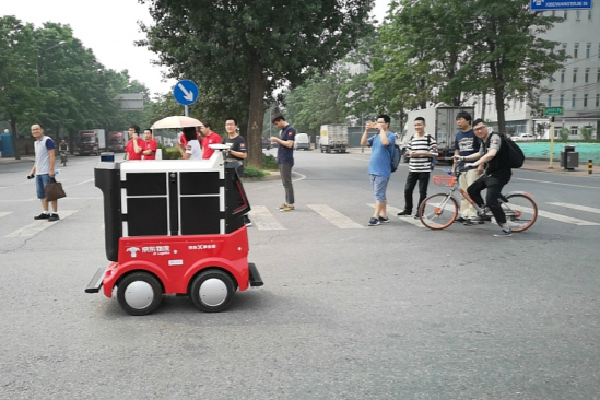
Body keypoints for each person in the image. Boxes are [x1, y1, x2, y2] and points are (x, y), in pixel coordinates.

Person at [458, 118, 513, 237]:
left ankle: (505, 227)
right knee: (472, 190)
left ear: (486, 127)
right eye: (476, 130)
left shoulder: (494, 137)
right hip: (490, 173)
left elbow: (491, 154)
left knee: (491, 200)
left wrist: (476, 164)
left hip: (500, 174)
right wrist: (463, 158)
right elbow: (480, 153)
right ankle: (484, 211)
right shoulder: (484, 140)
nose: (479, 131)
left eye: (481, 128)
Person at [397, 117, 438, 219]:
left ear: (424, 125)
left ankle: (420, 212)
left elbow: (435, 153)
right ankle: (407, 209)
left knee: (422, 192)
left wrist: (420, 153)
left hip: (424, 169)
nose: (417, 127)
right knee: (407, 189)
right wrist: (410, 152)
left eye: (419, 125)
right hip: (413, 169)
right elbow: (408, 150)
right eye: (415, 125)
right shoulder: (413, 138)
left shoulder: (429, 138)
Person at [360, 114, 396, 226]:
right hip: (373, 169)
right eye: (377, 122)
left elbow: (385, 142)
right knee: (380, 194)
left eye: (381, 122)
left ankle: (375, 216)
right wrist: (366, 130)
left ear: (387, 124)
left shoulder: (391, 135)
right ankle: (383, 216)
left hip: (382, 170)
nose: (378, 124)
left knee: (378, 194)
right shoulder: (375, 137)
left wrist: (381, 130)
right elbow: (363, 143)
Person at [453, 112, 481, 225]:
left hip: (473, 166)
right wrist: (455, 165)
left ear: (468, 120)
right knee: (463, 192)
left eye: (461, 119)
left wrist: (480, 165)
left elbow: (481, 151)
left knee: (472, 191)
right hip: (462, 167)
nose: (458, 122)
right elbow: (457, 150)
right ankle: (464, 214)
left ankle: (473, 214)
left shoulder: (474, 133)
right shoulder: (459, 135)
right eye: (457, 120)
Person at [29, 123, 59, 222]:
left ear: (42, 130)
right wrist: (33, 170)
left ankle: (54, 213)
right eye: (33, 130)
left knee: (51, 192)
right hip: (39, 173)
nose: (35, 131)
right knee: (42, 194)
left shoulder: (47, 140)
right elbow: (38, 158)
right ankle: (45, 212)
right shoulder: (36, 143)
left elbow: (52, 155)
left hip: (47, 172)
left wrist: (51, 169)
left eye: (36, 129)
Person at [223, 118, 251, 227]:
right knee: (229, 193)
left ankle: (245, 217)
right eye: (227, 125)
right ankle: (233, 215)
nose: (229, 127)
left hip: (236, 168)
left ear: (236, 126)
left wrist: (230, 151)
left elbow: (244, 155)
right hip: (226, 168)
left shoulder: (240, 140)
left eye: (231, 124)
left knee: (239, 193)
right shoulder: (225, 140)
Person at [270, 114, 296, 212]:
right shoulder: (284, 130)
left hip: (287, 159)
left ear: (281, 120)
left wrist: (277, 139)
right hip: (282, 158)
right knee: (285, 182)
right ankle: (287, 201)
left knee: (287, 182)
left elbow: (289, 144)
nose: (277, 126)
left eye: (277, 124)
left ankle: (291, 203)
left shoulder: (290, 130)